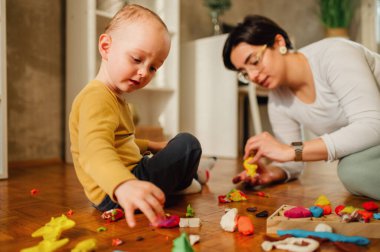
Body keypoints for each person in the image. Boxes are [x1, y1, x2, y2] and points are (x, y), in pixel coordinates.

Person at [69, 4, 212, 228]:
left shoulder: (114, 98)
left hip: (124, 179)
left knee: (172, 147)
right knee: (188, 144)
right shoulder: (96, 98)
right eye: (137, 59)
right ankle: (185, 180)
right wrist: (122, 184)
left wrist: (152, 145)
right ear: (106, 47)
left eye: (154, 68)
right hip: (115, 192)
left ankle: (187, 175)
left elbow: (119, 142)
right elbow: (94, 150)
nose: (144, 72)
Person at [222, 15, 380, 200]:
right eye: (244, 73)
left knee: (352, 169)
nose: (253, 76)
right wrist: (272, 171)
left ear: (278, 42)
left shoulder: (335, 54)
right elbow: (293, 160)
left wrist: (287, 151)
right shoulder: (278, 101)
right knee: (354, 167)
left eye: (254, 61)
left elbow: (373, 124)